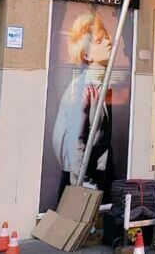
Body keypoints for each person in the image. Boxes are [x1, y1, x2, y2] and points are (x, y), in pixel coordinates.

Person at [52, 12, 115, 200]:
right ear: (86, 55)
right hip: (80, 178)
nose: (108, 42)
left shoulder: (102, 86)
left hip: (94, 172)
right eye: (99, 40)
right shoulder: (82, 90)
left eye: (106, 37)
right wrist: (81, 182)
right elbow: (74, 142)